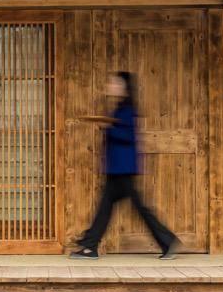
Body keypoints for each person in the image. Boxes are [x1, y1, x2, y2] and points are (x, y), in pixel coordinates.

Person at [71, 71, 181, 260]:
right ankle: (90, 245)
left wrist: (108, 128)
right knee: (106, 208)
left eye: (115, 83)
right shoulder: (120, 108)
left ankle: (168, 241)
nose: (111, 86)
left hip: (123, 168)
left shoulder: (128, 109)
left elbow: (128, 136)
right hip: (117, 168)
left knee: (137, 208)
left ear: (123, 87)